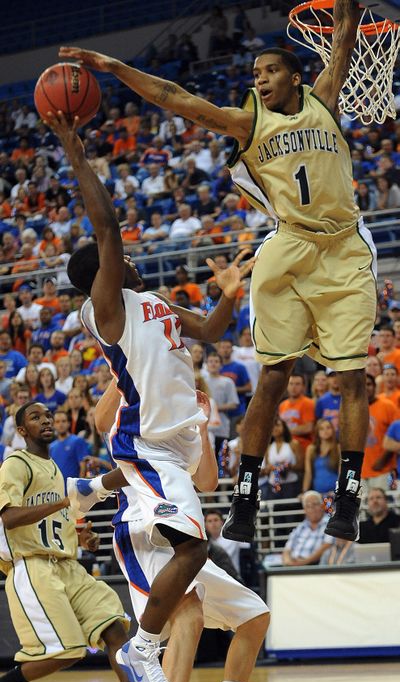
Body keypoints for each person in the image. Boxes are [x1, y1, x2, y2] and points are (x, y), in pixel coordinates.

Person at [58, 0, 374, 544]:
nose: (261, 78)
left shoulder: (323, 101)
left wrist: (349, 8)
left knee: (350, 378)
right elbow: (175, 97)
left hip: (345, 249)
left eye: (271, 70)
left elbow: (344, 34)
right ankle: (245, 498)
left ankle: (349, 492)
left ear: (296, 75)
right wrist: (114, 68)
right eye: (255, 74)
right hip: (290, 247)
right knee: (274, 375)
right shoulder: (249, 122)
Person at [44, 111, 254, 682]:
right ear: (103, 279)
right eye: (115, 258)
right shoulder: (103, 312)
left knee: (193, 550)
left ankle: (90, 489)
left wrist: (229, 294)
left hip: (179, 444)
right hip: (148, 442)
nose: (127, 255)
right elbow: (107, 229)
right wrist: (76, 153)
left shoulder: (156, 303)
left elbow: (212, 329)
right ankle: (142, 648)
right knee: (191, 547)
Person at [68, 382, 269, 682]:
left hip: (182, 539)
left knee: (255, 617)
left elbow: (206, 482)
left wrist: (203, 427)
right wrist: (128, 364)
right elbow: (101, 419)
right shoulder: (135, 413)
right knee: (189, 615)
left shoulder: (187, 430)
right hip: (141, 530)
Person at [0, 401, 149, 682]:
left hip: (67, 565)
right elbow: (10, 517)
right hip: (34, 567)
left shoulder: (55, 471)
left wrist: (82, 539)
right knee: (67, 653)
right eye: (35, 417)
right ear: (23, 431)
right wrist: (61, 503)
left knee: (114, 626)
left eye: (48, 415)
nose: (46, 420)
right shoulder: (16, 463)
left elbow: (59, 520)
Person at [361, 374, 400, 494]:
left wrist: (382, 461)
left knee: (388, 506)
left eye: (369, 384)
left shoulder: (388, 406)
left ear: (375, 387)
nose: (366, 387)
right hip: (360, 472)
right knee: (362, 511)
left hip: (385, 470)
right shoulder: (354, 408)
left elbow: (396, 436)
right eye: (363, 385)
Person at [282, 491, 335, 566]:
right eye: (308, 506)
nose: (311, 508)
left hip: (314, 567)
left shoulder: (330, 524)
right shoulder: (301, 527)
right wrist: (288, 562)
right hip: (294, 565)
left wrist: (304, 562)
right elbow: (287, 549)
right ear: (305, 510)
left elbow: (327, 546)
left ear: (322, 506)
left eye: (315, 504)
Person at [50, 409, 91, 481]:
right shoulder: (51, 447)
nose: (61, 424)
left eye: (63, 421)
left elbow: (83, 467)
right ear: (53, 425)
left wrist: (79, 488)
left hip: (74, 490)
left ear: (69, 423)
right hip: (58, 490)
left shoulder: (77, 441)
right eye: (57, 422)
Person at [303, 419, 340, 495]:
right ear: (317, 432)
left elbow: (341, 472)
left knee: (329, 507)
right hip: (318, 493)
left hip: (334, 493)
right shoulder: (311, 449)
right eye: (321, 429)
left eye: (328, 427)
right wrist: (304, 492)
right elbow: (308, 473)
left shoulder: (338, 448)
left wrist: (338, 491)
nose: (325, 431)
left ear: (333, 430)